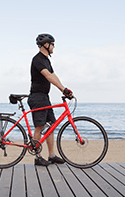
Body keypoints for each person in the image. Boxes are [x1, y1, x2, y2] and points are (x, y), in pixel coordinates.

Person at [28, 33, 73, 166]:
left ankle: (52, 155)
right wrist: (62, 89)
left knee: (51, 126)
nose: (54, 47)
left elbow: (54, 75)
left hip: (44, 97)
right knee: (39, 126)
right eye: (52, 44)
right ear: (46, 45)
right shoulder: (38, 59)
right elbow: (48, 76)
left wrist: (64, 88)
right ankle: (37, 157)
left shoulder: (47, 60)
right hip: (37, 97)